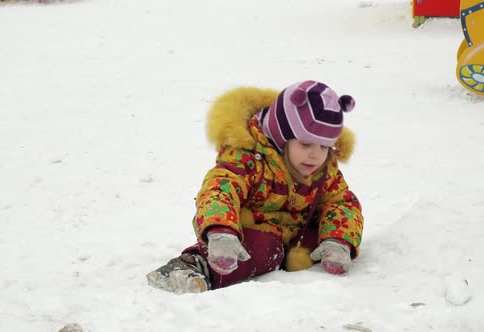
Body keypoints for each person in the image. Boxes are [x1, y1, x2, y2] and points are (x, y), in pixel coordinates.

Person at [146, 80, 364, 294]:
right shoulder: (248, 157)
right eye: (305, 143)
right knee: (262, 247)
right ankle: (191, 267)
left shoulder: (323, 167)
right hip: (246, 234)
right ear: (281, 137)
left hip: (294, 236)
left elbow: (340, 202)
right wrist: (221, 232)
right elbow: (219, 190)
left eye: (324, 146)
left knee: (314, 239)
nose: (315, 154)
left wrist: (338, 240)